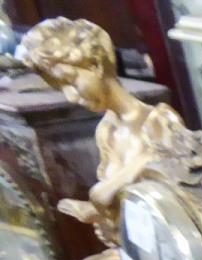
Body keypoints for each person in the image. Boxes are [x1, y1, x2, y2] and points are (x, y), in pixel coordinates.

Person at [19, 18, 188, 244]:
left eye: (70, 81)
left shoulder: (159, 119)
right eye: (60, 89)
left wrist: (105, 191)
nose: (70, 96)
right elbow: (117, 211)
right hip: (137, 247)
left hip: (173, 248)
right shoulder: (106, 130)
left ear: (95, 66)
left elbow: (179, 184)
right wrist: (98, 214)